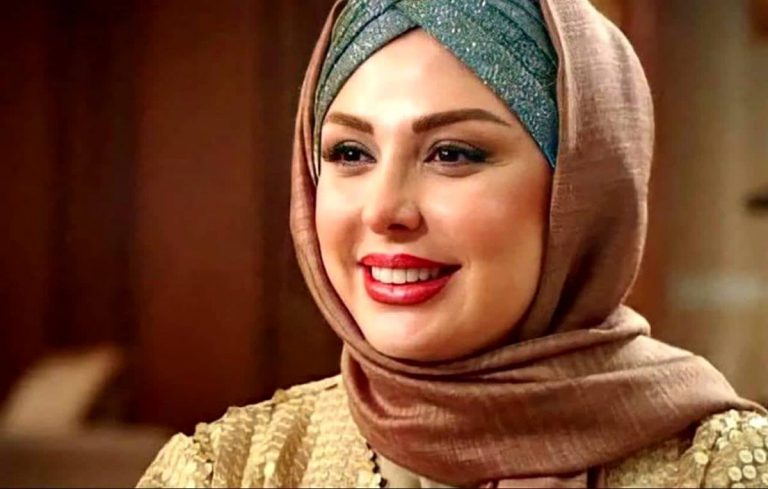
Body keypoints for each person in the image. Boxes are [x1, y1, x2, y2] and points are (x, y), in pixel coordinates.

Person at [137, 0, 768, 487]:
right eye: (350, 153)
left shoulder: (721, 468)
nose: (384, 211)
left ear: (583, 187)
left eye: (452, 153)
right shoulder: (227, 470)